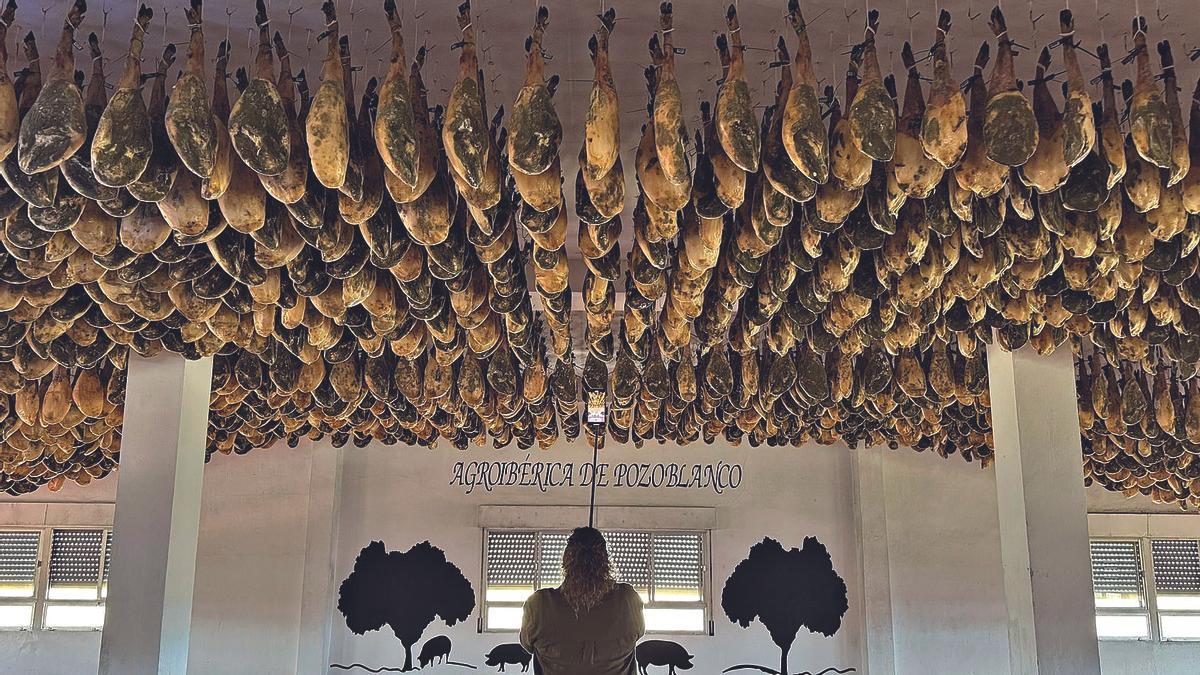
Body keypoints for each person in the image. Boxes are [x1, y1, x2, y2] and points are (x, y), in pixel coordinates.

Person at [520, 527, 645, 675]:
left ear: (565, 560)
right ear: (606, 560)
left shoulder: (539, 604)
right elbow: (639, 633)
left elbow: (527, 645)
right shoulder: (627, 599)